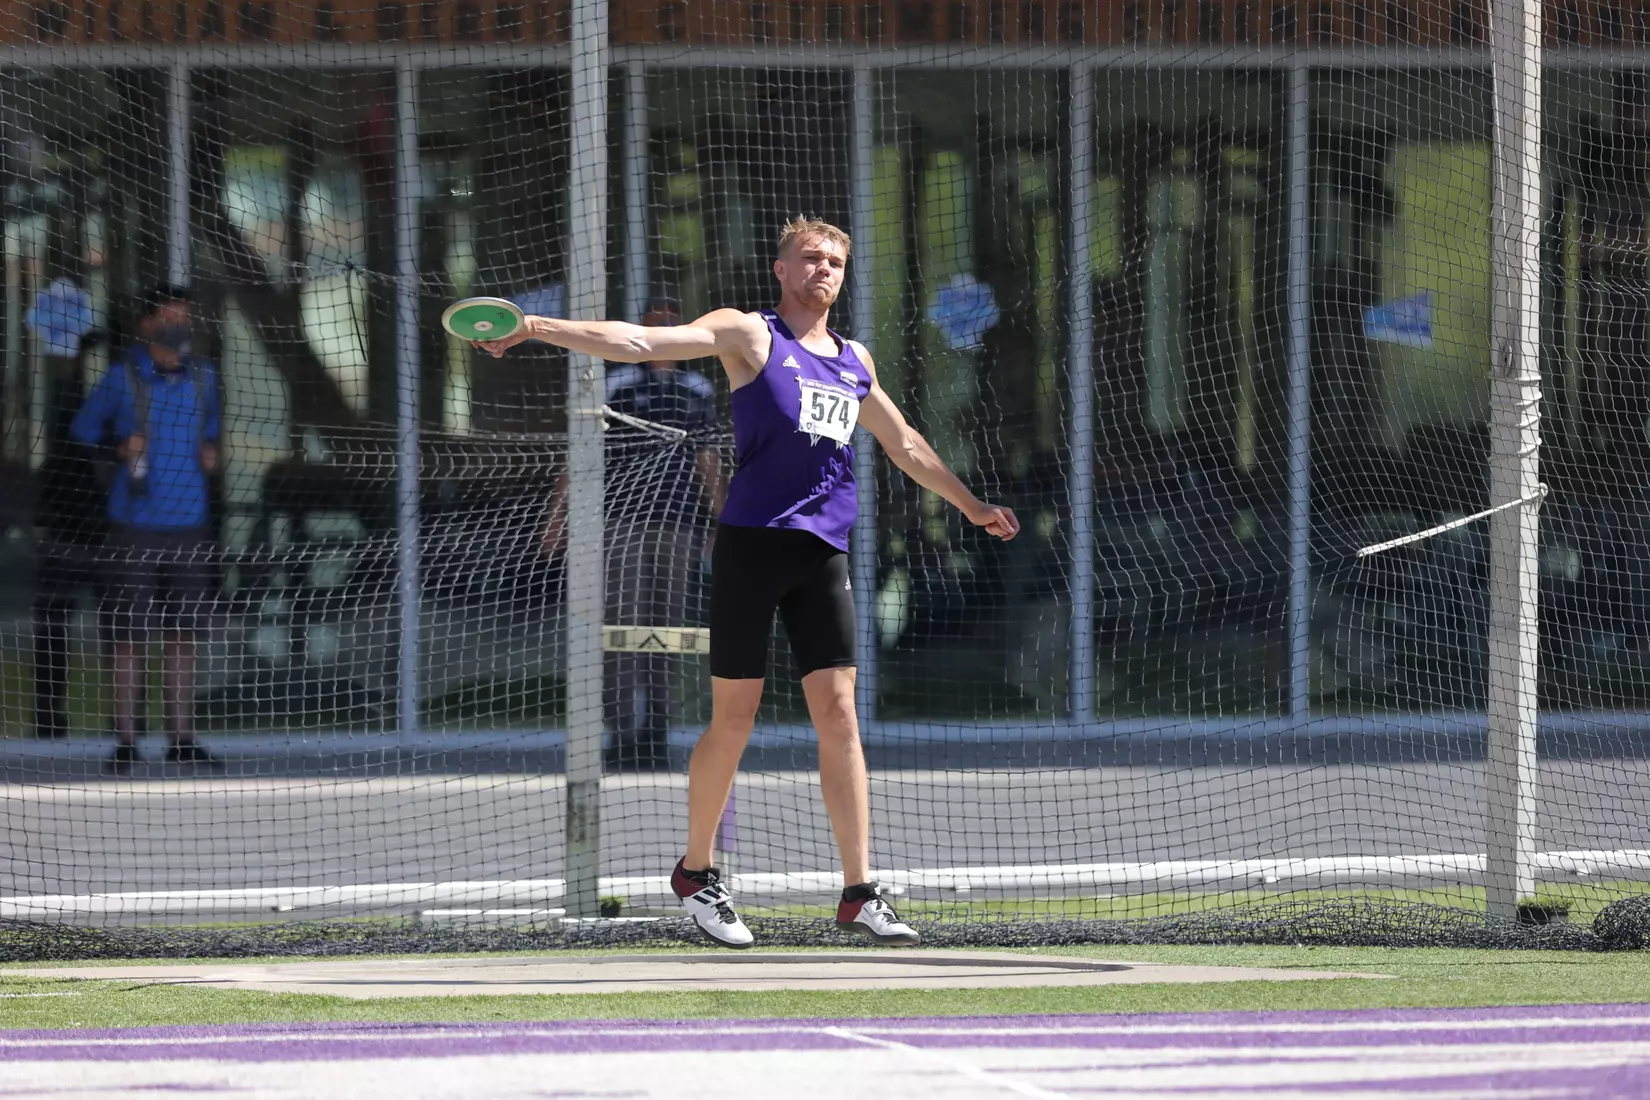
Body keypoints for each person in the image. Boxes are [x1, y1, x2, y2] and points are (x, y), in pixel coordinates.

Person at [478, 217, 1019, 948]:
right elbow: (641, 342)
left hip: (823, 554)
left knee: (840, 717)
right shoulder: (749, 335)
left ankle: (860, 891)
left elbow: (906, 444)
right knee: (734, 719)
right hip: (751, 547)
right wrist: (536, 326)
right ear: (781, 268)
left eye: (834, 261)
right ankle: (696, 874)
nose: (823, 269)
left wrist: (973, 506)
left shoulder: (854, 359)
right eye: (810, 258)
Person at [541, 302, 724, 771]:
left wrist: (723, 523)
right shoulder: (615, 385)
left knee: (669, 632)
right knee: (621, 629)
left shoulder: (697, 390)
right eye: (655, 326)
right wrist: (557, 518)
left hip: (680, 524)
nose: (663, 334)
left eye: (672, 326)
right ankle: (620, 734)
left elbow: (708, 460)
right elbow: (582, 454)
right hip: (623, 523)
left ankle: (657, 735)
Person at [71, 286, 223, 774]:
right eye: (167, 317)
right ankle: (126, 742)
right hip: (134, 524)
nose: (177, 325)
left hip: (190, 523)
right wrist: (120, 445)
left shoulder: (204, 377)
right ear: (145, 325)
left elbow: (212, 429)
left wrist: (211, 451)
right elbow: (82, 429)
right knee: (129, 636)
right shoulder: (121, 378)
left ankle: (182, 738)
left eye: (183, 316)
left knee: (183, 636)